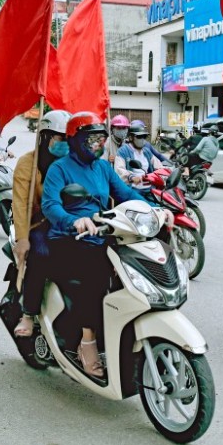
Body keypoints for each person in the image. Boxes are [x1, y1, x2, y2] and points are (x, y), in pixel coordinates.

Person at [41, 112, 142, 378]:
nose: (98, 145)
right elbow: (50, 206)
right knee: (95, 273)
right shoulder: (59, 168)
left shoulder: (103, 168)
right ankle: (87, 342)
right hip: (68, 239)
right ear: (75, 141)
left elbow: (126, 195)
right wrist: (75, 221)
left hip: (104, 234)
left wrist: (158, 209)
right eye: (92, 140)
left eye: (101, 139)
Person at [12, 109, 72, 338]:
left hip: (70, 223)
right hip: (39, 224)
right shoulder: (28, 163)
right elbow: (20, 203)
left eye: (69, 139)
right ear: (45, 137)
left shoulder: (72, 163)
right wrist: (23, 238)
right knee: (42, 254)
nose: (65, 144)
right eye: (60, 138)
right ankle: (28, 313)